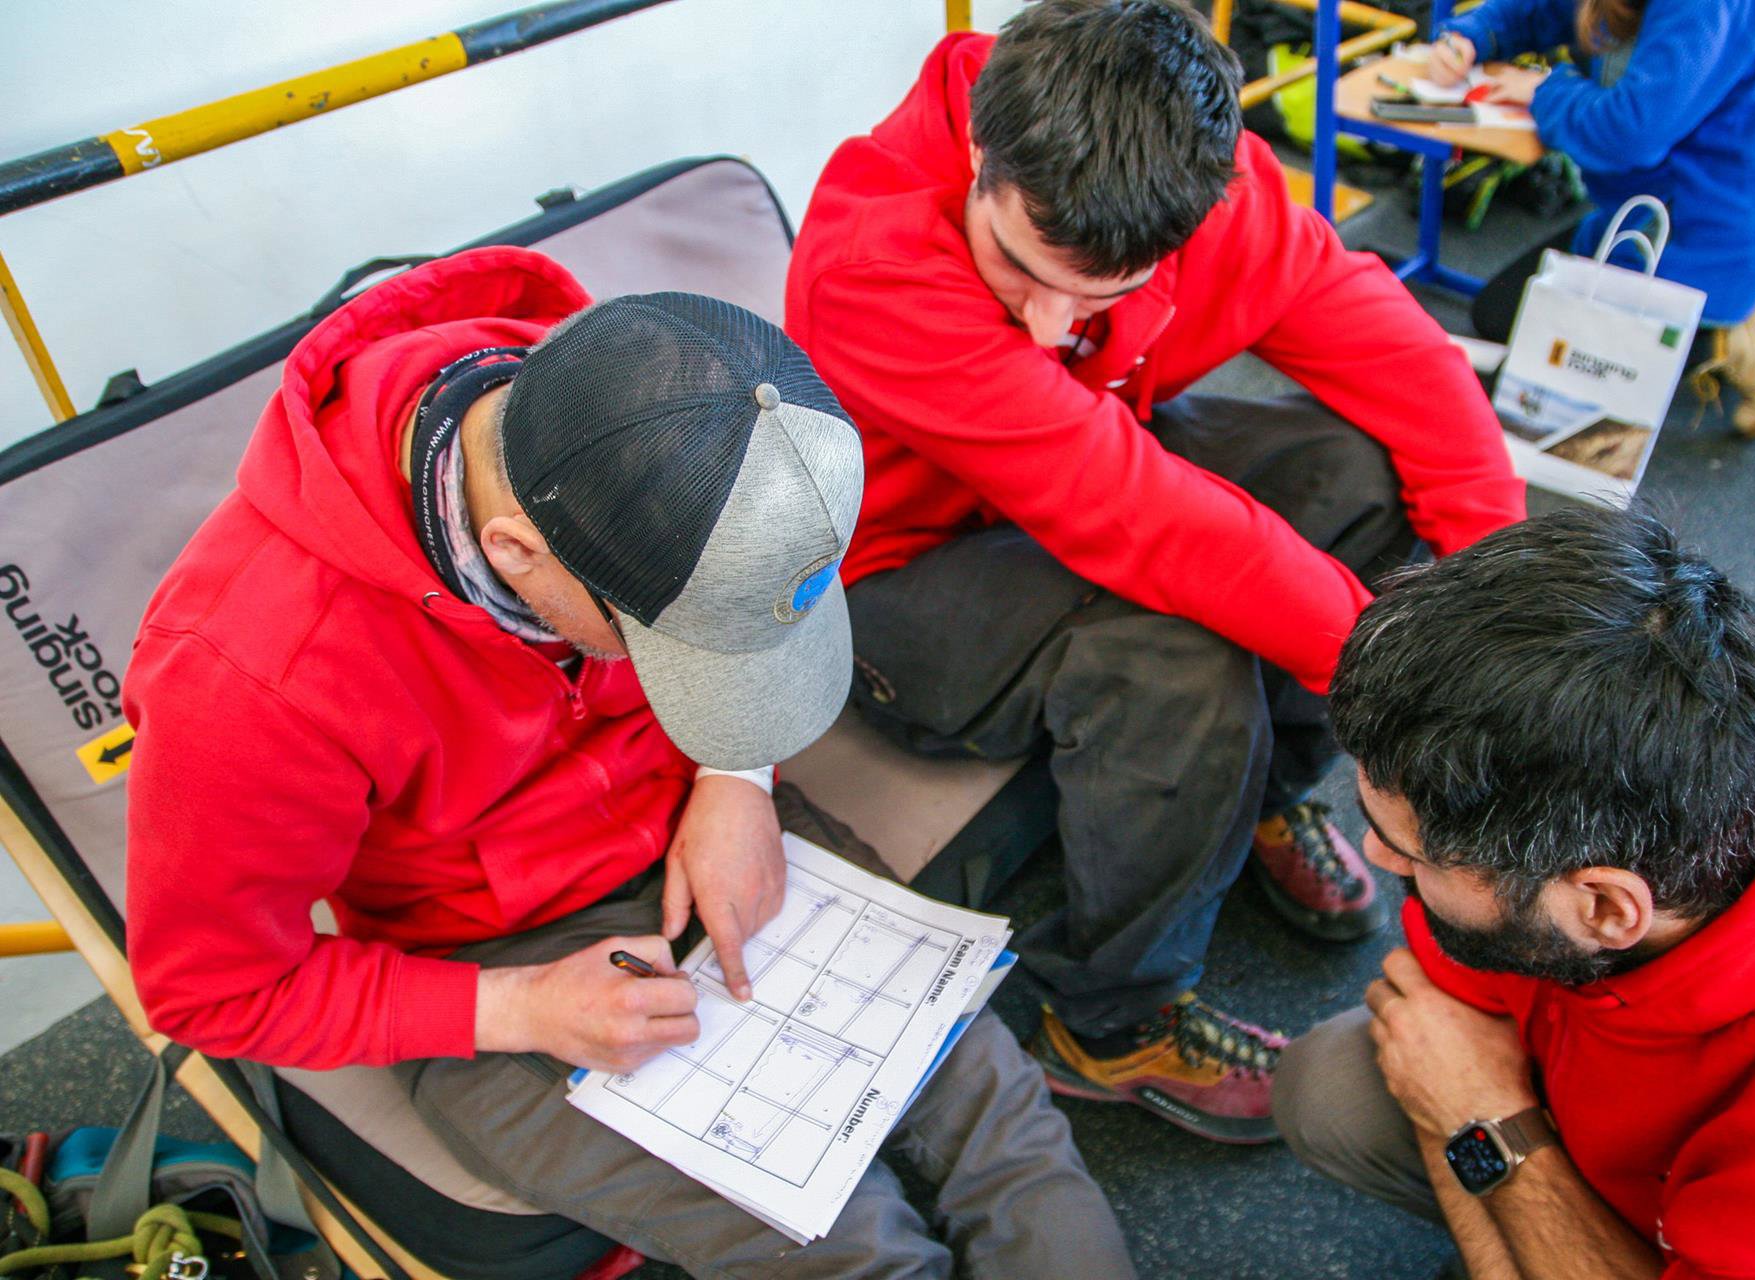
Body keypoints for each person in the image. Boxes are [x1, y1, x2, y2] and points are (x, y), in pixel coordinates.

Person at [122, 246, 1134, 1278]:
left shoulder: (662, 391)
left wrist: (736, 776)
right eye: (674, 649)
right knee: (850, 1250)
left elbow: (742, 618)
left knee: (1010, 1134)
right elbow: (211, 991)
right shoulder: (247, 680)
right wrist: (519, 1007)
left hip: (699, 816)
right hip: (487, 953)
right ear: (515, 556)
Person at [785, 0, 1527, 1144]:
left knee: (1358, 474)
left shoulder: (1208, 184)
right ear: (982, 151)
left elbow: (1396, 353)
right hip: (899, 577)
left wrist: (1500, 600)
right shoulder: (870, 264)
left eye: (1099, 292)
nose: (1047, 325)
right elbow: (1146, 523)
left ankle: (1257, 793)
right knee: (1172, 650)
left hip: (1084, 467)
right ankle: (1111, 1020)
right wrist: (1405, 689)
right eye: (1017, 264)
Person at [1272, 507, 1755, 1279]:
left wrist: (1480, 1121)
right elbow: (1443, 1004)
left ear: (1606, 908)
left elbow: (1452, 1076)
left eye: (1409, 853)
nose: (1375, 855)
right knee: (1333, 1088)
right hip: (1596, 1099)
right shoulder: (1692, 676)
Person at [1428, 0, 1755, 437]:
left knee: (1519, 392)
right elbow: (1546, 8)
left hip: (1702, 237)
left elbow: (1630, 134)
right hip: (1637, 215)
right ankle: (1714, 319)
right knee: (1498, 316)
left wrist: (1545, 90)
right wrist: (1472, 36)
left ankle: (1727, 336)